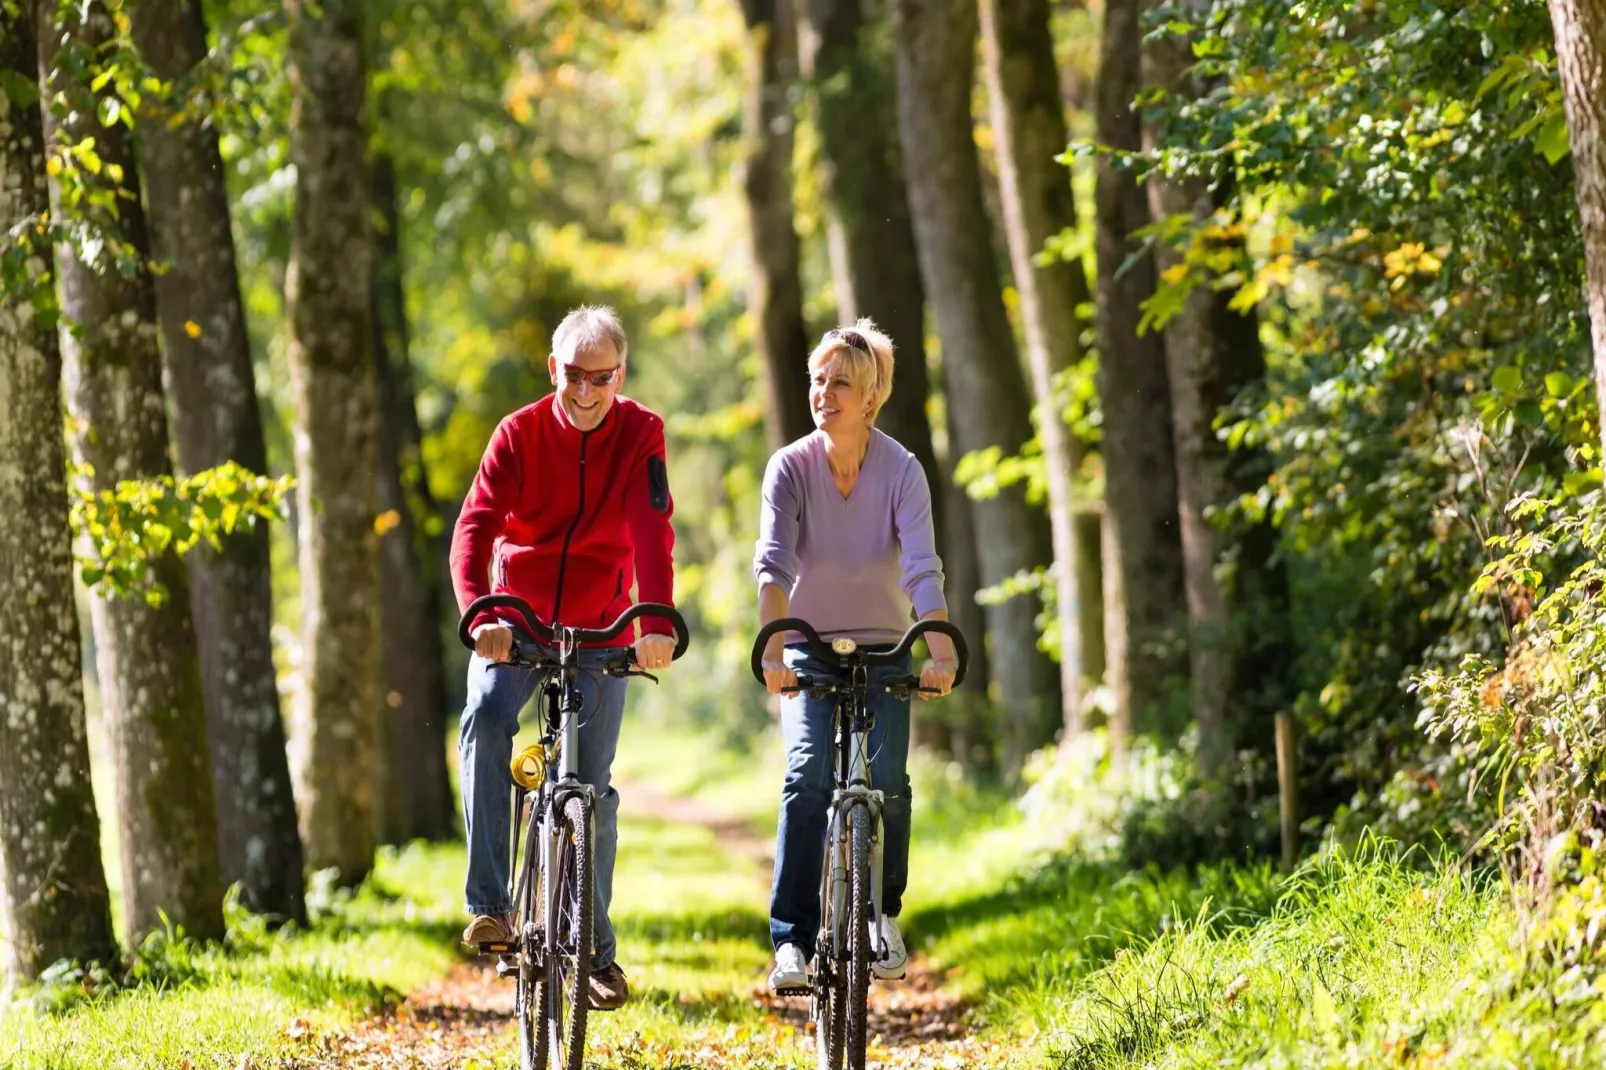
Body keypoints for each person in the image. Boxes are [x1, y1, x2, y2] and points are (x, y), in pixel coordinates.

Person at [450, 304, 678, 1012]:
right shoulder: (517, 434)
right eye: (573, 376)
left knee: (594, 791)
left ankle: (595, 950)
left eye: (601, 378)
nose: (585, 392)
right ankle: (491, 905)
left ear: (620, 374)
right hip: (513, 618)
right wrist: (479, 612)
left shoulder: (641, 432)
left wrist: (657, 619)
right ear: (554, 369)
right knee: (488, 717)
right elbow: (475, 527)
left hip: (603, 625)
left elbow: (651, 529)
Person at [752, 319, 960, 993]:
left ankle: (884, 915)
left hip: (885, 650)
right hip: (809, 654)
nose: (823, 392)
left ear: (870, 399)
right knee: (808, 773)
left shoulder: (901, 470)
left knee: (890, 784)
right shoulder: (789, 468)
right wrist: (774, 649)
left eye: (840, 382)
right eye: (817, 380)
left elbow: (923, 570)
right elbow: (774, 569)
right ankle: (792, 940)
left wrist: (939, 649)